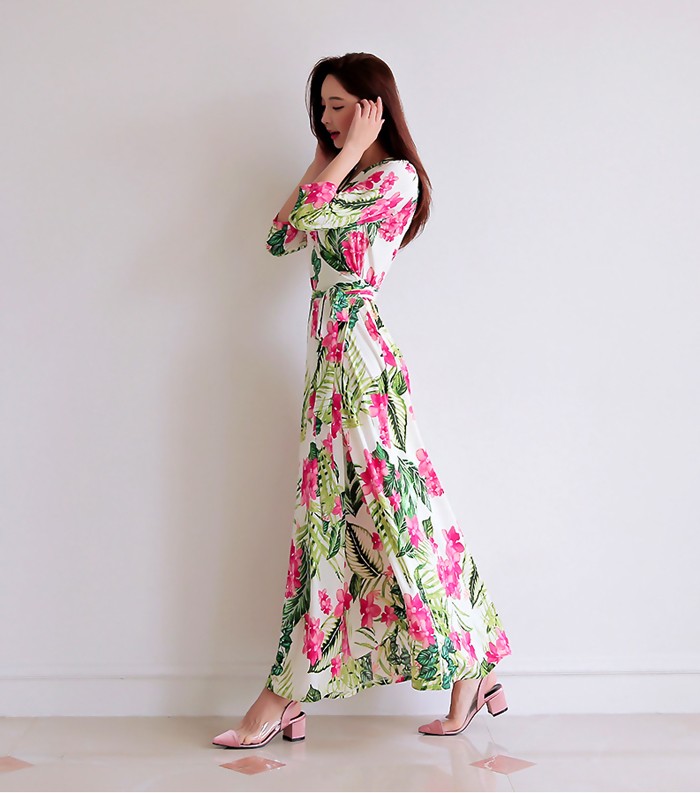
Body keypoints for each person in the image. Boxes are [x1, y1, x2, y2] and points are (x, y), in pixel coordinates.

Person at [213, 52, 512, 750]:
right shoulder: (344, 175)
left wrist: (344, 155)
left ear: (375, 107)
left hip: (361, 359)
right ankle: (467, 669)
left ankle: (286, 698)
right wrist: (330, 157)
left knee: (396, 516)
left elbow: (307, 215)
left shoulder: (395, 179)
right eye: (321, 106)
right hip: (329, 363)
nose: (326, 117)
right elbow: (279, 236)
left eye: (340, 104)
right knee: (339, 522)